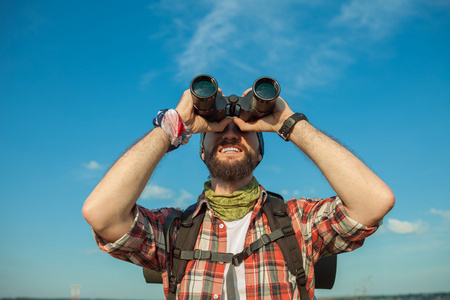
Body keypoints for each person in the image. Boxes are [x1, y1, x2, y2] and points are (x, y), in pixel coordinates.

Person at [82, 86, 395, 300]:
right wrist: (172, 127)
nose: (231, 132)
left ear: (260, 153)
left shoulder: (298, 222)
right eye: (218, 129)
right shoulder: (173, 231)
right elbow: (101, 214)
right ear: (201, 151)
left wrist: (291, 124)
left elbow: (374, 202)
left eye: (245, 130)